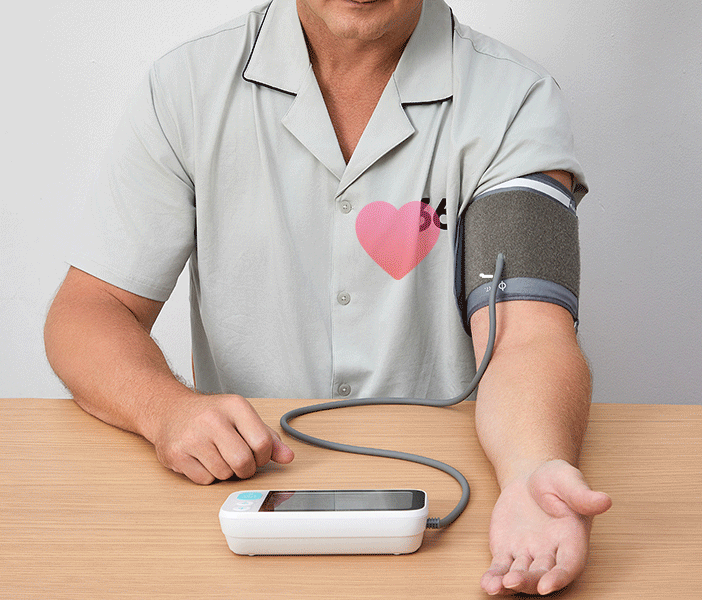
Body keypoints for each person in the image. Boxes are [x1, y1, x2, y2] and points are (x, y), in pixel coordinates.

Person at [44, 0, 612, 595]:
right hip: (238, 496)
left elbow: (529, 334)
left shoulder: (516, 100)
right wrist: (164, 410)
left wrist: (530, 470)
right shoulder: (184, 87)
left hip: (449, 505)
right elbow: (89, 310)